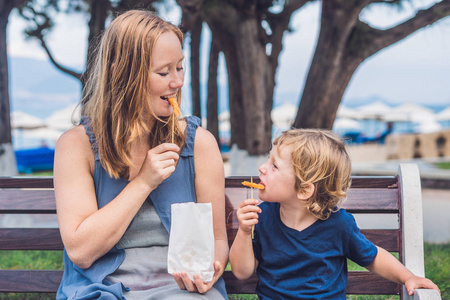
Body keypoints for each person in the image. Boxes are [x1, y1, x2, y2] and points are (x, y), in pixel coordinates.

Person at [54, 10, 228, 300]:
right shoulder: (77, 146)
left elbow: (217, 239)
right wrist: (144, 182)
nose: (177, 82)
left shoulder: (199, 144)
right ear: (121, 73)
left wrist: (210, 270)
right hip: (102, 288)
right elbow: (81, 252)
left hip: (181, 290)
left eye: (180, 68)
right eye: (163, 72)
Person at [229, 129, 439, 299]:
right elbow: (242, 272)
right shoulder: (262, 216)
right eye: (268, 160)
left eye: (274, 165)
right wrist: (245, 232)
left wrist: (408, 277)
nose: (262, 168)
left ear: (304, 190)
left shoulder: (338, 225)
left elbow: (373, 257)